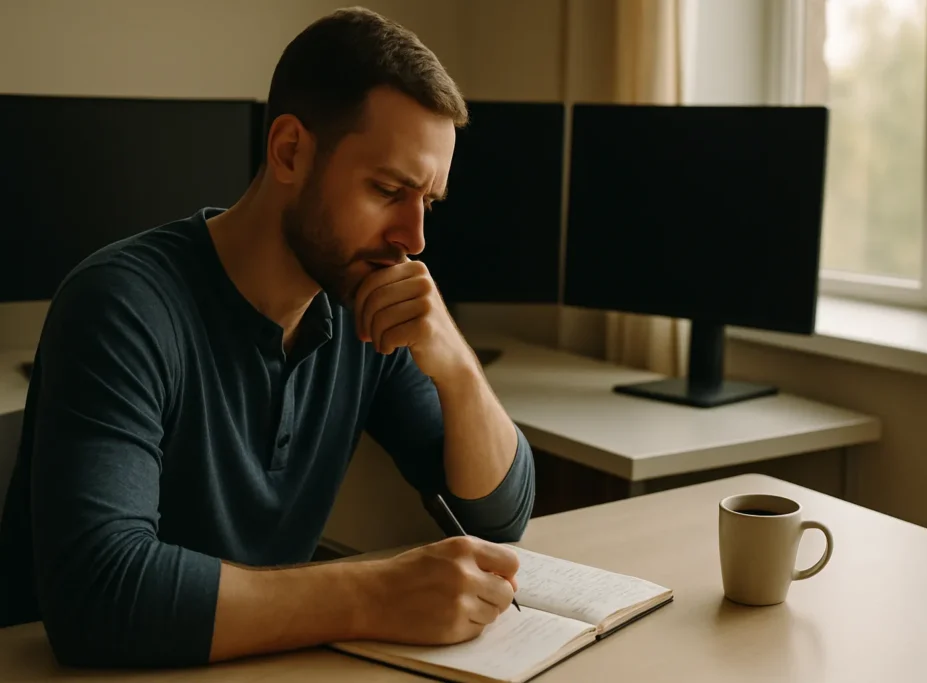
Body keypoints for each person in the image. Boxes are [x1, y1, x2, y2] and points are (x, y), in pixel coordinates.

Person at [0, 6, 535, 669]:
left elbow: (498, 513)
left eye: (427, 202)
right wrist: (372, 593)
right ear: (289, 151)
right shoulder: (121, 305)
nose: (415, 239)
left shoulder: (360, 298)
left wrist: (456, 366)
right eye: (388, 189)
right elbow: (99, 596)